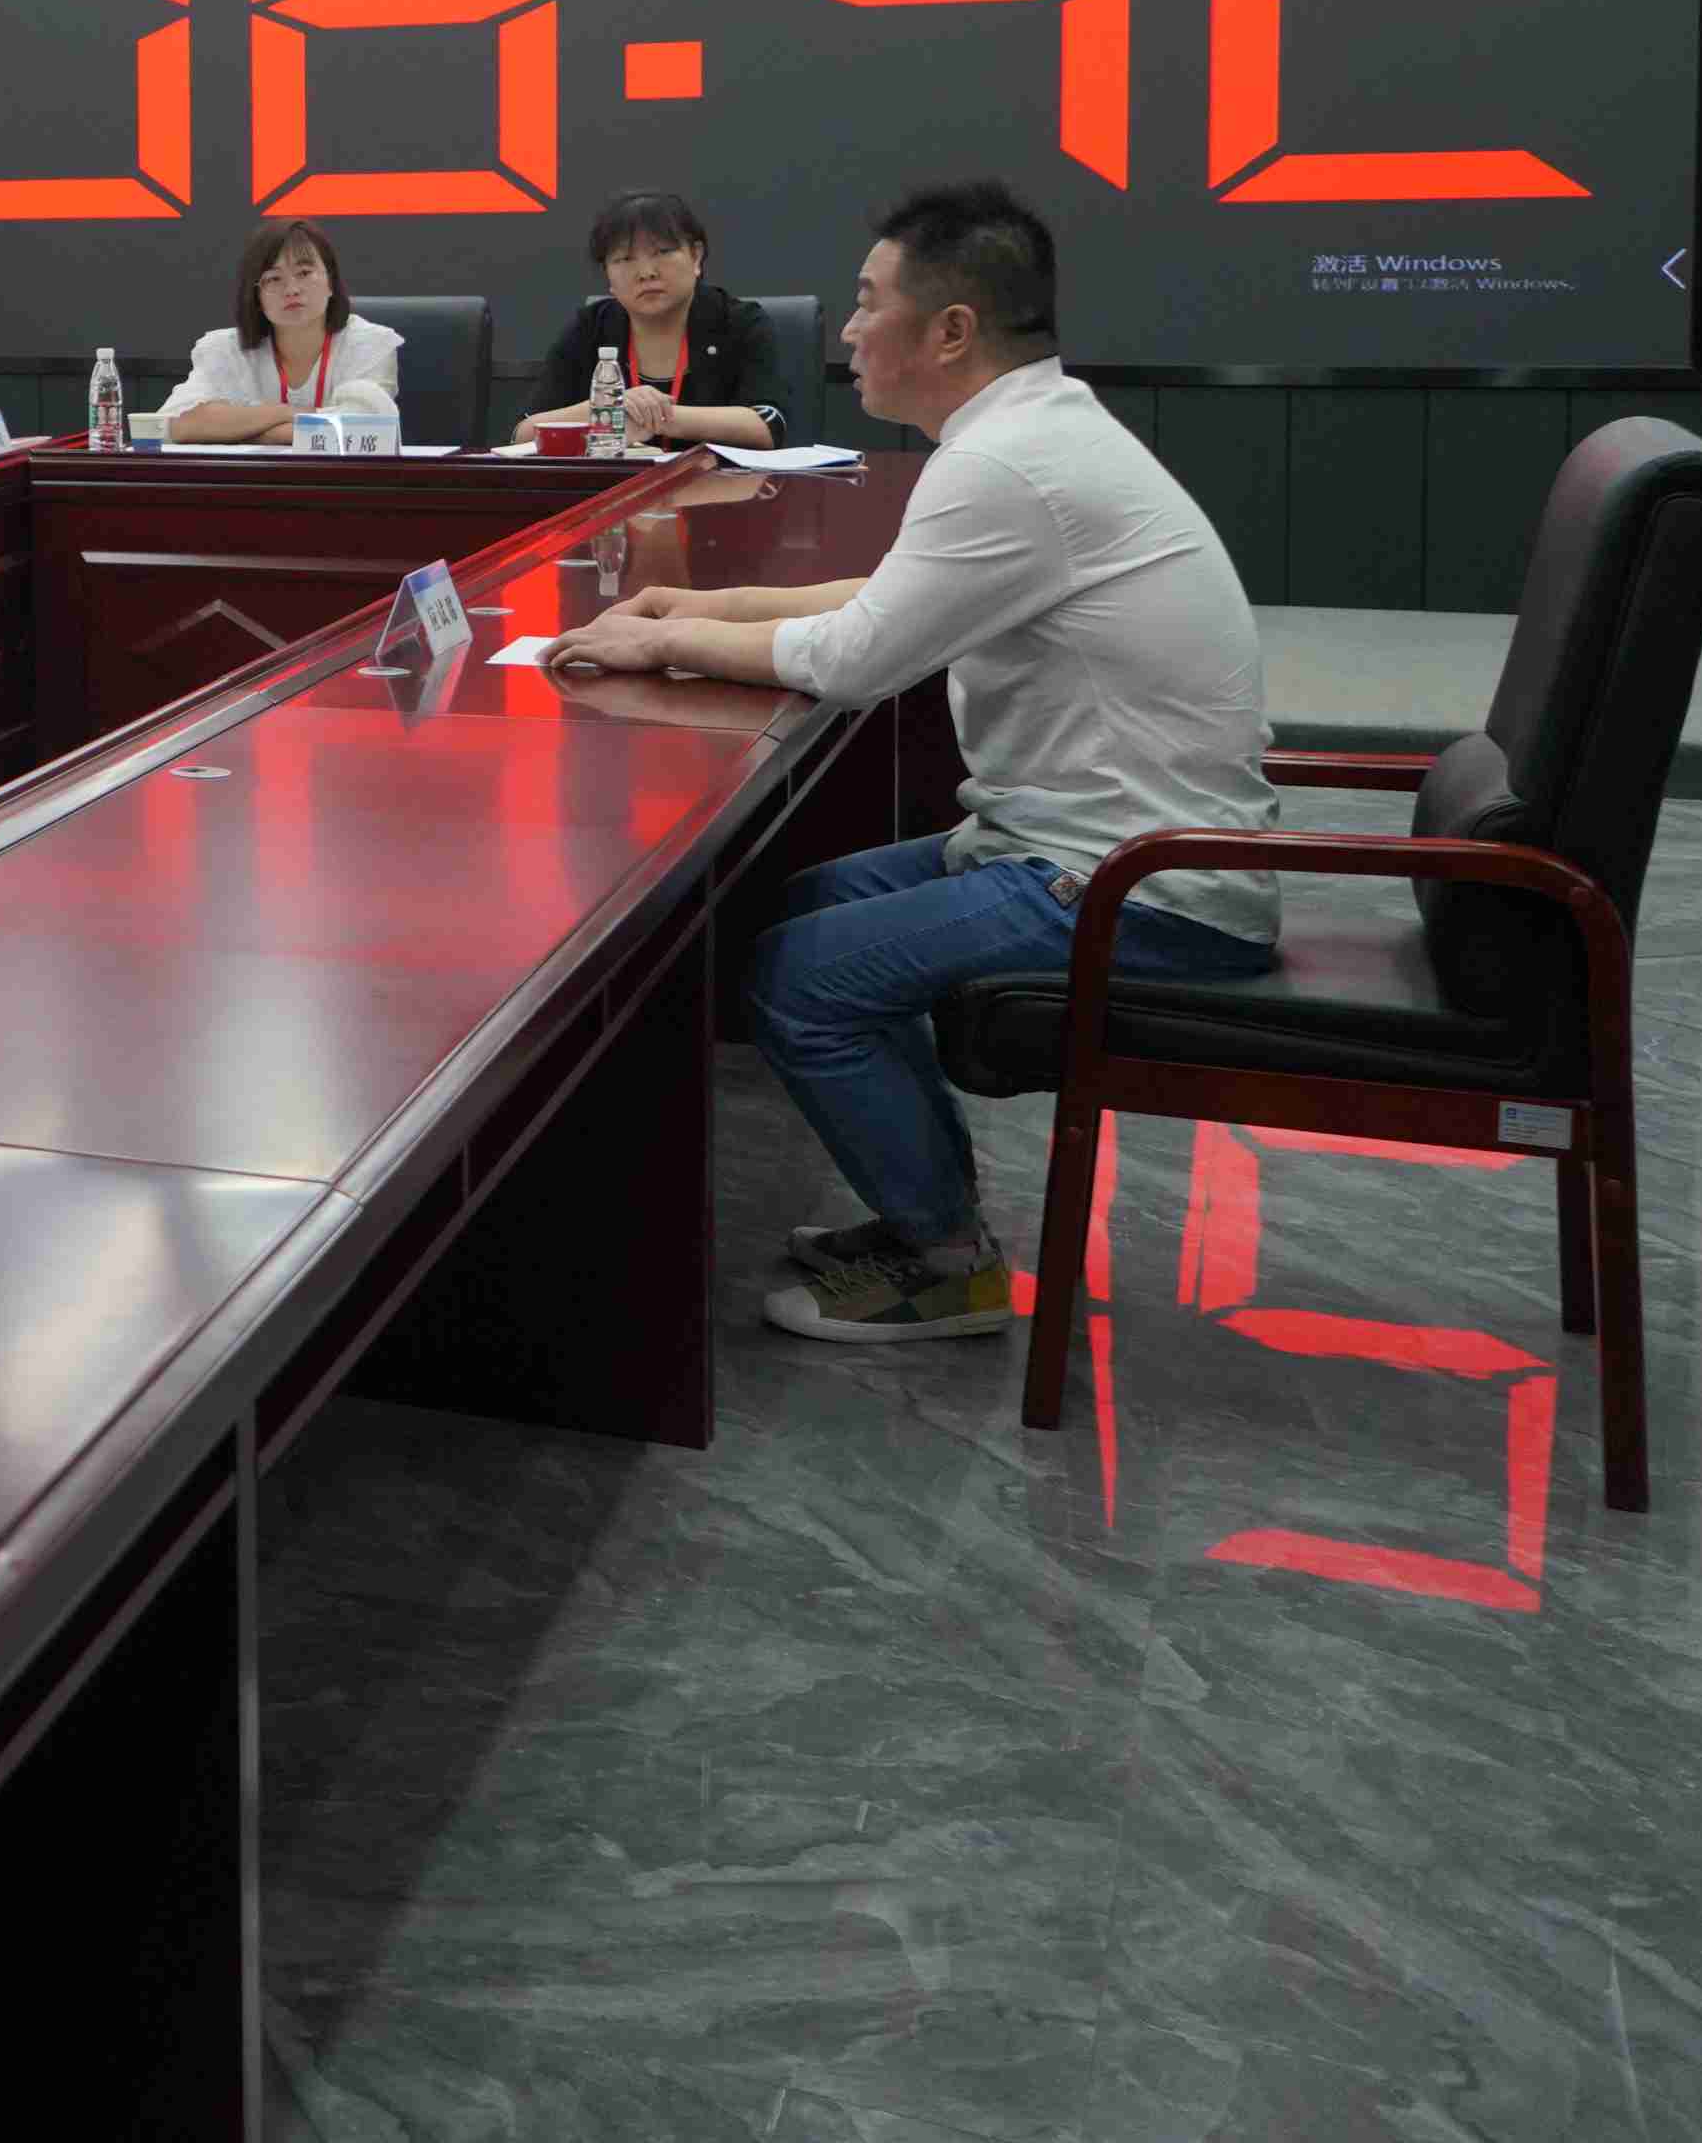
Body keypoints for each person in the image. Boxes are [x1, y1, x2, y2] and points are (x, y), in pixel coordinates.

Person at [548, 180, 1281, 1343]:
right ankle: (926, 1210)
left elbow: (853, 657)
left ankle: (944, 1262)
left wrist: (661, 642)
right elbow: (890, 597)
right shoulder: (1029, 434)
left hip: (1142, 884)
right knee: (805, 904)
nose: (844, 328)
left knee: (801, 975)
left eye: (864, 301)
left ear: (949, 330)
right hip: (1077, 838)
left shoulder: (1008, 463)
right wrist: (695, 604)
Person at [514, 189, 786, 450]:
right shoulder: (590, 327)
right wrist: (606, 409)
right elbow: (523, 433)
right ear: (607, 274)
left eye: (662, 252)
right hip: (611, 480)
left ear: (696, 256)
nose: (646, 272)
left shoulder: (738, 322)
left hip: (714, 480)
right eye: (625, 259)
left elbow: (765, 425)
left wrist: (657, 416)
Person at [159, 223, 405, 445]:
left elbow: (365, 428)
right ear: (256, 296)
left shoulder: (369, 344)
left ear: (331, 282)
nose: (292, 289)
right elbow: (174, 423)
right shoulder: (226, 349)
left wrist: (239, 431)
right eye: (274, 279)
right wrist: (289, 412)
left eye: (304, 273)